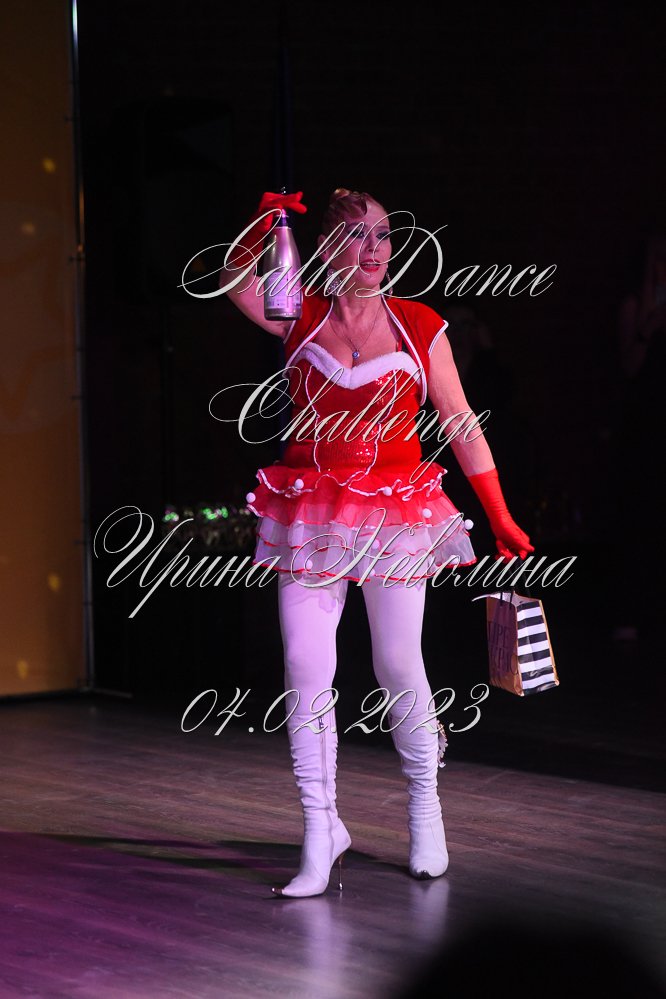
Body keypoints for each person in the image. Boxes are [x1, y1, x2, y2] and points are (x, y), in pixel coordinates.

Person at [220, 188, 533, 897]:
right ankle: (320, 827)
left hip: (394, 510)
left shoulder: (418, 324)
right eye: (357, 236)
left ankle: (425, 808)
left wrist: (499, 512)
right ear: (327, 248)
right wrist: (266, 222)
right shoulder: (296, 311)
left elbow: (460, 422)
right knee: (305, 664)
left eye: (383, 235)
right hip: (311, 508)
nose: (374, 249)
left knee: (397, 662)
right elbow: (230, 277)